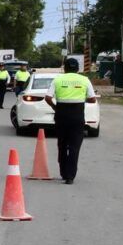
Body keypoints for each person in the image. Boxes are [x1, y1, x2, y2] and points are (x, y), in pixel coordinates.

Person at [44, 57, 97, 185]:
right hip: (77, 116)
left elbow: (47, 97)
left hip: (61, 115)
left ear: (65, 68)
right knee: (74, 147)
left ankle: (63, 172)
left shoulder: (58, 79)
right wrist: (81, 100)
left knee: (62, 145)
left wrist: (55, 107)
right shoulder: (84, 80)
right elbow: (93, 99)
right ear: (77, 69)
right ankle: (70, 176)